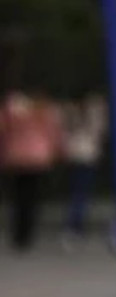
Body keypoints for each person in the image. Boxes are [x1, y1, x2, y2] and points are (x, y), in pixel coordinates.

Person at [0, 87, 63, 252]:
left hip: (17, 157)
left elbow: (4, 130)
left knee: (18, 197)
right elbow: (53, 133)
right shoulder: (44, 111)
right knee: (31, 197)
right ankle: (27, 234)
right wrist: (55, 150)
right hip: (38, 158)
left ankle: (18, 234)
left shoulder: (12, 110)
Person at [61, 91, 108, 240]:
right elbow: (101, 130)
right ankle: (75, 222)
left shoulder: (71, 112)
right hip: (87, 154)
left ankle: (74, 222)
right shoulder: (94, 112)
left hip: (75, 153)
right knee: (82, 191)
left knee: (76, 190)